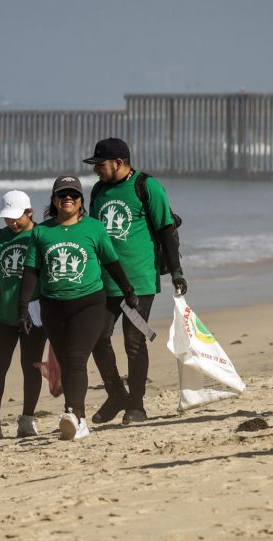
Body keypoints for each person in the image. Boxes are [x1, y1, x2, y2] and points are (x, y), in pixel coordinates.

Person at [17, 175, 137, 441]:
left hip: (89, 302)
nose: (68, 198)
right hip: (53, 306)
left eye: (73, 194)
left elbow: (111, 262)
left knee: (76, 358)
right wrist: (24, 306)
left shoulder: (94, 228)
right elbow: (32, 271)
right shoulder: (41, 232)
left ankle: (76, 416)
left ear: (81, 200)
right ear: (54, 200)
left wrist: (128, 290)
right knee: (66, 360)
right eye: (62, 194)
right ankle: (73, 415)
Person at [84, 137, 186, 424]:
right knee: (97, 338)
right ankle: (116, 394)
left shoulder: (146, 186)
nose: (96, 171)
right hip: (104, 281)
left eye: (100, 165)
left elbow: (166, 229)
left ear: (119, 162)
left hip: (139, 281)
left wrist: (177, 272)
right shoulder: (99, 191)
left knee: (134, 342)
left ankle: (136, 406)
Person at [0, 190, 47, 440]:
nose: (12, 223)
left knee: (32, 366)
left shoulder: (41, 235)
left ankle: (27, 419)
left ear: (30, 212)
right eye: (7, 218)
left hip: (34, 315)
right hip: (3, 313)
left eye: (16, 218)